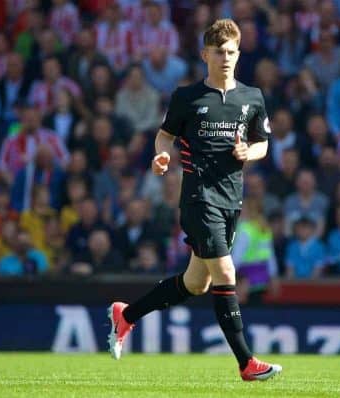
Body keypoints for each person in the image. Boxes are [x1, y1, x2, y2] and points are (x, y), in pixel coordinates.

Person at [107, 20, 281, 381]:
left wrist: (249, 151)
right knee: (226, 272)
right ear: (205, 55)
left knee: (196, 283)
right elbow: (164, 136)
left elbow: (263, 144)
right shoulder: (187, 98)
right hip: (199, 199)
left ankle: (126, 315)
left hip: (232, 199)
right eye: (219, 52)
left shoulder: (252, 98)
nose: (226, 58)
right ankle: (247, 362)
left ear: (239, 53)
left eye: (231, 52)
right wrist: (161, 156)